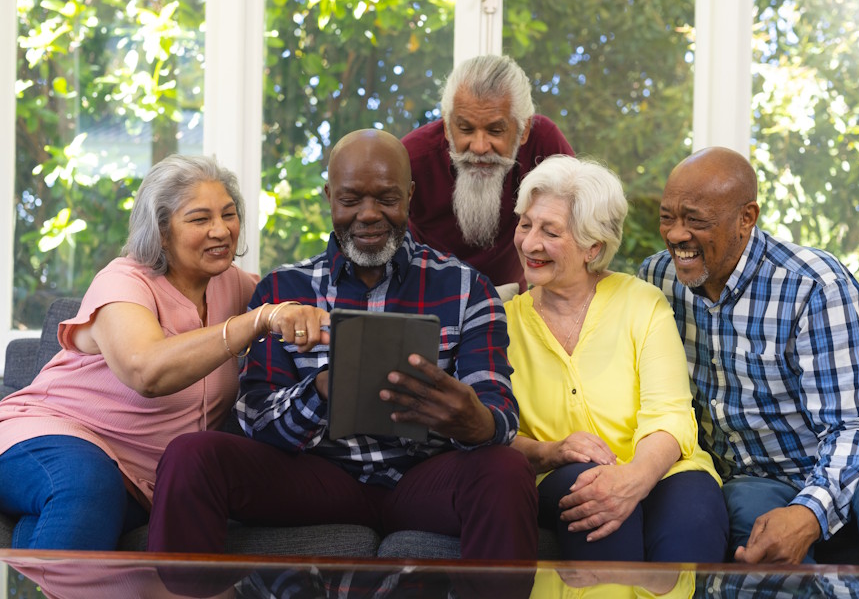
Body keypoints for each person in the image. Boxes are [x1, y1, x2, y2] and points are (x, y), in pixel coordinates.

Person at [147, 129, 538, 563]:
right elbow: (256, 419)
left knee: (506, 469)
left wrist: (472, 420)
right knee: (191, 455)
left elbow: (499, 417)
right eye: (350, 201)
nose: (368, 215)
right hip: (319, 477)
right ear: (329, 196)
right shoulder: (283, 291)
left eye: (387, 199)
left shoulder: (467, 289)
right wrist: (322, 391)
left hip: (425, 479)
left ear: (410, 195)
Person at [0, 155, 315, 550]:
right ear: (162, 232)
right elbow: (147, 372)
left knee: (88, 503)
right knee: (87, 487)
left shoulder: (231, 285)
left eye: (229, 214)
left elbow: (304, 294)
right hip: (48, 434)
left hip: (134, 482)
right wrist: (253, 323)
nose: (221, 230)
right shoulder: (124, 282)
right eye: (200, 219)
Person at [639, 146, 859, 565]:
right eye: (667, 217)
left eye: (695, 220)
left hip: (854, 464)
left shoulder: (814, 286)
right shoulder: (655, 280)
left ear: (747, 218)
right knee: (750, 522)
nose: (675, 234)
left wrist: (808, 511)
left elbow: (854, 426)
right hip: (754, 479)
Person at [505, 155, 728, 564]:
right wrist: (553, 450)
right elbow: (493, 433)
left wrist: (633, 479)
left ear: (593, 246)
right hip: (560, 475)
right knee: (588, 492)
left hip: (662, 468)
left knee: (694, 516)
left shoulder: (641, 301)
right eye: (526, 224)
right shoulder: (500, 322)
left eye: (550, 231)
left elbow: (670, 414)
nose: (530, 243)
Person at [402, 54, 574, 292]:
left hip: (509, 299)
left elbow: (581, 223)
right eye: (465, 129)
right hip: (427, 298)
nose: (480, 147)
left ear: (523, 131)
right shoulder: (412, 157)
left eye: (495, 130)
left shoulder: (543, 144)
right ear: (447, 127)